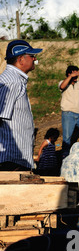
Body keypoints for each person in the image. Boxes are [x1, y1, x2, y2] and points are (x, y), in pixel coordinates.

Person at [0, 40, 43, 171]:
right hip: (11, 161)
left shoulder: (15, 80)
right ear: (20, 59)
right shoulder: (12, 82)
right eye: (32, 56)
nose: (35, 59)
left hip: (16, 160)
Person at [59, 65, 79, 158]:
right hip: (68, 114)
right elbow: (62, 87)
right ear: (69, 74)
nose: (77, 75)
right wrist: (70, 77)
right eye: (74, 73)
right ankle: (65, 157)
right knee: (67, 138)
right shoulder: (63, 83)